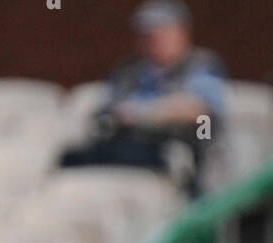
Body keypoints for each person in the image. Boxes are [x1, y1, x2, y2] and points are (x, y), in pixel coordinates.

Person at [59, 1, 226, 197]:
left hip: (179, 155)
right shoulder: (129, 70)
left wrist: (143, 114)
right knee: (70, 158)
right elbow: (108, 112)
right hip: (128, 152)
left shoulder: (201, 64)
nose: (154, 39)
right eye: (147, 34)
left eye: (162, 31)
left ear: (182, 32)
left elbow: (198, 109)